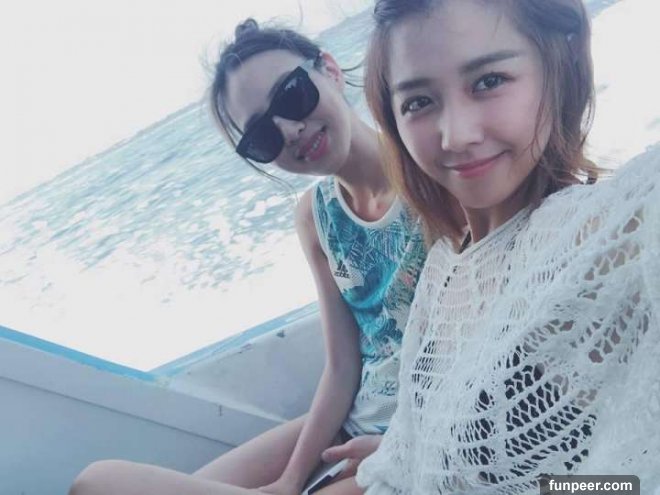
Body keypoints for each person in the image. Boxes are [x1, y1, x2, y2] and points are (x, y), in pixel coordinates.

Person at [69, 18, 427, 495]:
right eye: (262, 135)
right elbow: (343, 367)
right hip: (355, 417)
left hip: (422, 426)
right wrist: (289, 481)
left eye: (291, 95)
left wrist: (406, 445)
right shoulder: (316, 217)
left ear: (329, 70)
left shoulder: (429, 165)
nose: (290, 130)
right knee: (99, 485)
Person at [354, 0, 660, 493]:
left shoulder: (596, 236)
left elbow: (626, 484)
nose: (456, 136)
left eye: (489, 81)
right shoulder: (442, 269)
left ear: (558, 64)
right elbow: (410, 459)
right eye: (419, 102)